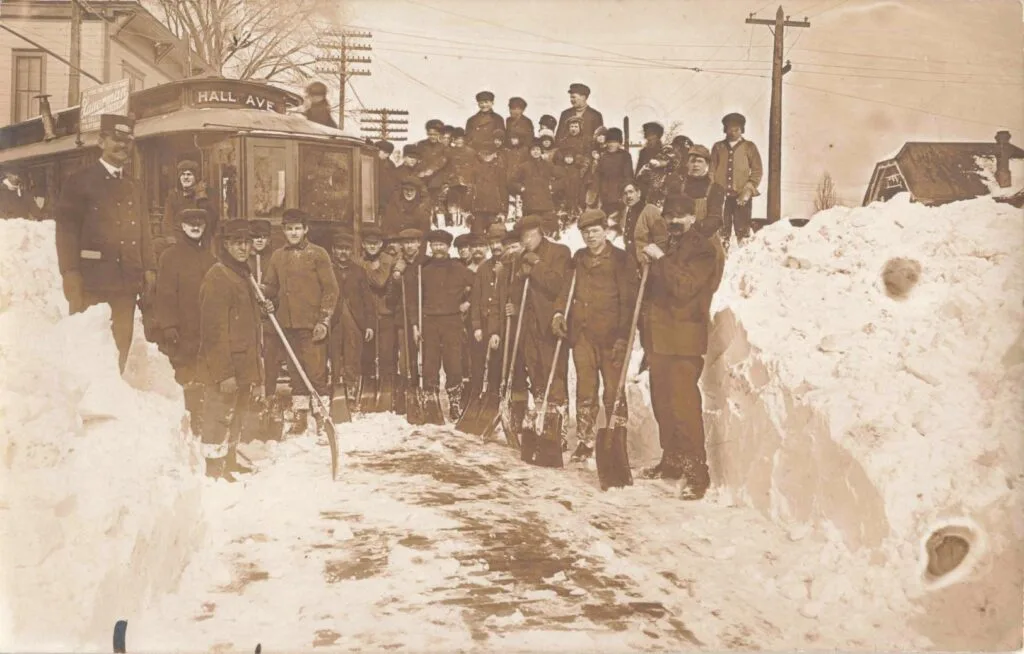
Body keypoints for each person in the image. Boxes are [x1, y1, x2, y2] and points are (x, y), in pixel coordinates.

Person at [637, 200, 726, 499]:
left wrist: (660, 260)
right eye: (669, 216)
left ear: (692, 216)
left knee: (683, 406)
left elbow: (685, 287)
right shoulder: (671, 246)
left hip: (684, 339)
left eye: (679, 215)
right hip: (660, 339)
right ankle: (672, 460)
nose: (673, 221)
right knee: (662, 402)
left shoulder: (702, 249)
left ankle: (697, 473)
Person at [55, 114, 156, 373]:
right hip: (92, 282)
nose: (123, 146)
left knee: (121, 344)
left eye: (128, 141)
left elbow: (143, 230)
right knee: (89, 345)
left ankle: (112, 402)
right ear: (101, 141)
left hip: (126, 282)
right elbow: (66, 232)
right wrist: (70, 273)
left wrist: (149, 269)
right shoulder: (79, 181)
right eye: (116, 140)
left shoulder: (134, 186)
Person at [552, 209, 637, 462]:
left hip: (612, 337)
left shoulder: (621, 259)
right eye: (586, 232)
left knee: (613, 390)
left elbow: (627, 301)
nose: (590, 236)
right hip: (583, 336)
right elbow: (566, 291)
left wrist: (623, 336)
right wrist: (558, 313)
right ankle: (586, 441)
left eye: (595, 231)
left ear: (605, 231)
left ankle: (616, 440)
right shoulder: (578, 259)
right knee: (585, 390)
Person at [197, 218, 270, 481]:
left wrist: (262, 310)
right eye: (236, 243)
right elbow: (213, 332)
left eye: (246, 243)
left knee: (237, 413)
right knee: (219, 415)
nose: (242, 248)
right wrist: (223, 373)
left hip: (244, 359)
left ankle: (229, 460)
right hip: (226, 364)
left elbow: (244, 316)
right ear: (226, 245)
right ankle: (214, 467)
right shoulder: (218, 276)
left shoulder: (243, 273)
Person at [261, 208, 339, 438]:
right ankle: (300, 416)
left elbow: (331, 289)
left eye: (297, 228)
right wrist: (264, 295)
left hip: (312, 325)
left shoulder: (318, 254)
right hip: (287, 325)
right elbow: (271, 287)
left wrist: (324, 320)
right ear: (283, 231)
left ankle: (323, 417)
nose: (293, 233)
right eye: (289, 229)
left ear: (306, 229)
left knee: (315, 372)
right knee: (295, 373)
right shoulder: (278, 256)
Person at [153, 207, 217, 435]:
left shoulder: (210, 257)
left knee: (206, 373)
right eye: (190, 222)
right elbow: (165, 294)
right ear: (182, 226)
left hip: (206, 327)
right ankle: (187, 420)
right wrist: (169, 325)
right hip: (182, 327)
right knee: (185, 373)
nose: (196, 225)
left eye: (200, 221)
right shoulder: (170, 256)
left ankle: (204, 417)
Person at [510, 214, 571, 445]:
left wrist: (535, 265)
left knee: (553, 375)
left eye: (530, 235)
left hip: (551, 325)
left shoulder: (560, 252)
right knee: (535, 373)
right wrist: (519, 275)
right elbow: (516, 292)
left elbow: (557, 284)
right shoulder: (521, 257)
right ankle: (541, 423)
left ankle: (558, 430)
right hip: (528, 326)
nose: (526, 240)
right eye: (522, 237)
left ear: (540, 232)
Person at [415, 229, 474, 421]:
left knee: (453, 363)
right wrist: (416, 324)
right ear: (430, 247)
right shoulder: (423, 271)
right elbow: (416, 300)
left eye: (442, 244)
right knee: (430, 363)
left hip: (452, 321)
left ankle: (454, 402)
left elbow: (478, 286)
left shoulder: (458, 268)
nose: (438, 248)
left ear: (448, 247)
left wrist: (468, 302)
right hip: (429, 321)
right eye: (434, 244)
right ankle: (431, 403)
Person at [355, 226, 401, 411]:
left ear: (381, 244)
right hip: (367, 314)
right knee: (367, 352)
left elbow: (380, 281)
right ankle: (368, 390)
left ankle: (386, 390)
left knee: (386, 353)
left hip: (385, 313)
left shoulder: (387, 260)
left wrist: (364, 269)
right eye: (368, 243)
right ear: (364, 244)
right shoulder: (359, 261)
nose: (372, 247)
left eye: (376, 243)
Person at [328, 229, 375, 405]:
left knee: (352, 356)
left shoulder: (359, 271)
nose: (343, 252)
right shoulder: (327, 269)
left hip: (355, 320)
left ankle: (350, 391)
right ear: (333, 250)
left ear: (351, 251)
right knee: (333, 356)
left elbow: (368, 300)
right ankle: (335, 391)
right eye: (339, 248)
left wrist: (370, 324)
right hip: (334, 319)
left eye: (346, 249)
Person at [470, 222, 512, 398]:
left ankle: (504, 399)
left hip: (507, 324)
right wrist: (477, 325)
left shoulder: (512, 265)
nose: (496, 246)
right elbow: (476, 298)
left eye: (499, 242)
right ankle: (486, 398)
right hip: (487, 324)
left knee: (505, 365)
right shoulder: (484, 268)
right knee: (485, 365)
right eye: (492, 243)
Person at [710, 112, 763, 251]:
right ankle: (722, 255)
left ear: (742, 130)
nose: (733, 133)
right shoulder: (718, 147)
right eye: (729, 129)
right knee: (721, 229)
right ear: (725, 129)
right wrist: (713, 191)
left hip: (741, 196)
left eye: (736, 129)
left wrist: (748, 189)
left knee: (742, 229)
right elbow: (711, 171)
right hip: (721, 196)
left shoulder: (749, 147)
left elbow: (757, 171)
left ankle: (742, 257)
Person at [511, 139, 560, 236]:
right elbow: (512, 181)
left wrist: (552, 187)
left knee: (549, 228)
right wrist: (521, 188)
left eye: (538, 149)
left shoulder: (548, 165)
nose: (536, 152)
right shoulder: (524, 166)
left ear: (541, 151)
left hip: (546, 202)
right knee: (531, 229)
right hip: (530, 203)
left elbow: (562, 178)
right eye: (533, 150)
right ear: (530, 152)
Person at [162, 160, 215, 250]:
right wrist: (171, 241)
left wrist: (201, 197)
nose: (185, 177)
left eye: (189, 174)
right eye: (183, 174)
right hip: (178, 240)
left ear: (195, 177)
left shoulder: (203, 196)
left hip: (198, 239)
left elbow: (211, 221)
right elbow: (167, 221)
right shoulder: (173, 196)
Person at [592, 127, 633, 218]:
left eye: (614, 142)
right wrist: (596, 190)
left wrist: (625, 192)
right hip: (605, 195)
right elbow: (598, 174)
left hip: (619, 194)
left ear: (619, 143)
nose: (611, 144)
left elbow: (628, 175)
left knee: (617, 220)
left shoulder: (625, 156)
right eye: (609, 142)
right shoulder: (604, 156)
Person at [471, 137, 508, 235]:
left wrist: (503, 211)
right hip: (478, 209)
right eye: (484, 154)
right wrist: (468, 208)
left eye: (489, 154)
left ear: (494, 154)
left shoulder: (499, 169)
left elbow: (503, 190)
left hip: (494, 209)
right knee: (477, 237)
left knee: (496, 237)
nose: (486, 156)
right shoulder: (474, 169)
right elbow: (470, 189)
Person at [555, 83, 604, 148]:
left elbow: (599, 140)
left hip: (588, 154)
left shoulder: (595, 115)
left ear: (583, 97)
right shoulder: (565, 114)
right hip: (567, 154)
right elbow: (559, 137)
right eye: (571, 97)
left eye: (574, 97)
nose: (571, 100)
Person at [375, 141, 399, 216]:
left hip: (386, 198)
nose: (386, 155)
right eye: (384, 152)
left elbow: (394, 181)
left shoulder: (391, 165)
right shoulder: (372, 161)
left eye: (388, 154)